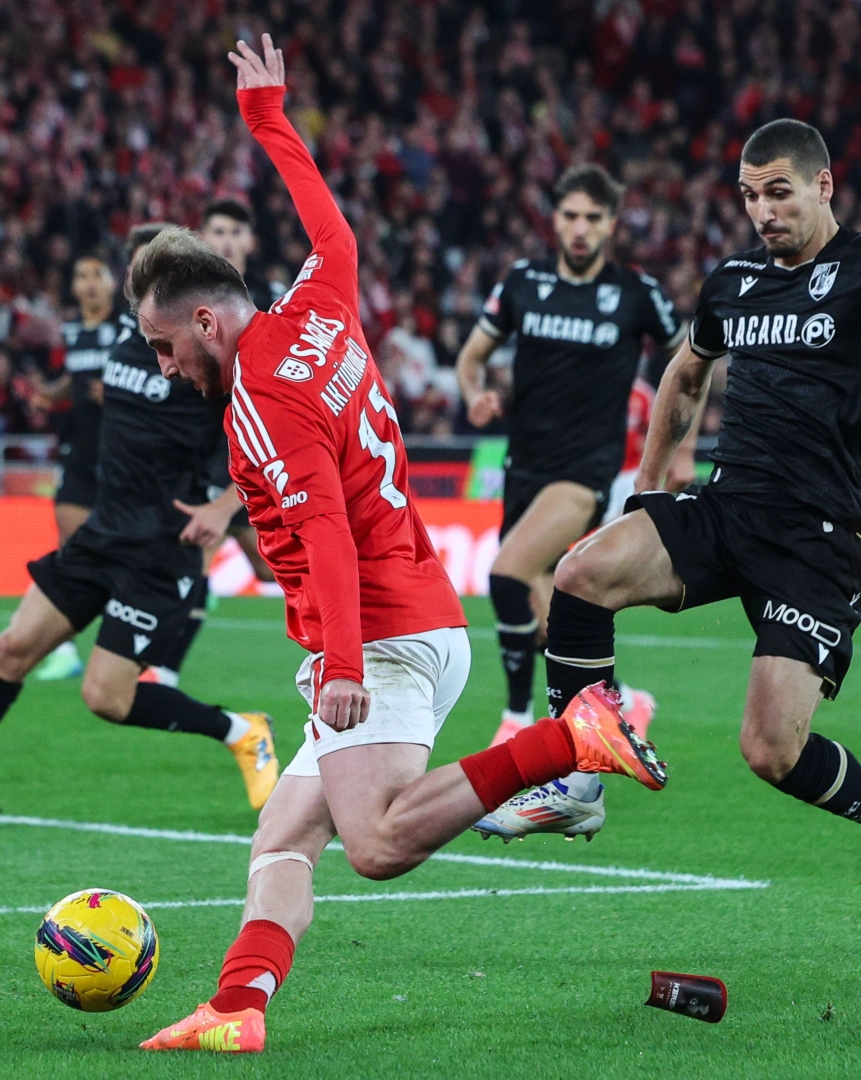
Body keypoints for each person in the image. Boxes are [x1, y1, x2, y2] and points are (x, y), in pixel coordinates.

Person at [128, 37, 666, 1053]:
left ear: (204, 319)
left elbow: (323, 527)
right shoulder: (318, 306)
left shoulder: (258, 396)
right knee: (283, 833)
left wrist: (336, 664)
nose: (166, 369)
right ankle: (237, 1009)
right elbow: (335, 230)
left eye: (165, 347)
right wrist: (269, 122)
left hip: (377, 633)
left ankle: (570, 738)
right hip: (412, 605)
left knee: (371, 844)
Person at [522, 119, 861, 944]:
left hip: (814, 537)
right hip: (728, 507)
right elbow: (685, 370)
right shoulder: (733, 278)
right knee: (581, 571)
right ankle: (578, 775)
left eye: (777, 192)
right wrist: (653, 474)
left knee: (770, 752)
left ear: (822, 186)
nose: (762, 211)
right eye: (748, 196)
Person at [0, 225, 281, 823]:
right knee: (11, 648)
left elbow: (264, 440)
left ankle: (241, 729)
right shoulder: (129, 339)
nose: (130, 281)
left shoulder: (207, 356)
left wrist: (224, 508)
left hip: (159, 547)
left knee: (104, 696)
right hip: (103, 531)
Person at [453, 164, 687, 840]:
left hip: (582, 475)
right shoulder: (522, 284)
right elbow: (472, 356)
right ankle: (619, 705)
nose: (579, 228)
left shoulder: (636, 294)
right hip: (522, 468)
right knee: (552, 618)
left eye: (592, 217)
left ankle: (516, 718)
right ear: (553, 221)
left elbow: (688, 367)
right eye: (569, 216)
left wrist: (678, 449)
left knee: (502, 574)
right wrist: (474, 392)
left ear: (611, 224)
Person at [30, 252, 119, 681]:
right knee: (69, 545)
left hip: (123, 456)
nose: (88, 284)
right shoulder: (72, 333)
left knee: (121, 553)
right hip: (80, 453)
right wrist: (51, 394)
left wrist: (118, 391)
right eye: (81, 275)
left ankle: (127, 642)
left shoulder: (125, 329)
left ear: (112, 282)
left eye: (96, 275)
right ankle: (63, 649)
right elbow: (74, 376)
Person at [198, 199, 278, 591]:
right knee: (192, 557)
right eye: (218, 232)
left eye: (235, 232)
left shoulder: (275, 298)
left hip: (259, 443)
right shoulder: (188, 299)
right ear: (202, 239)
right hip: (203, 441)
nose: (227, 241)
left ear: (250, 241)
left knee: (267, 566)